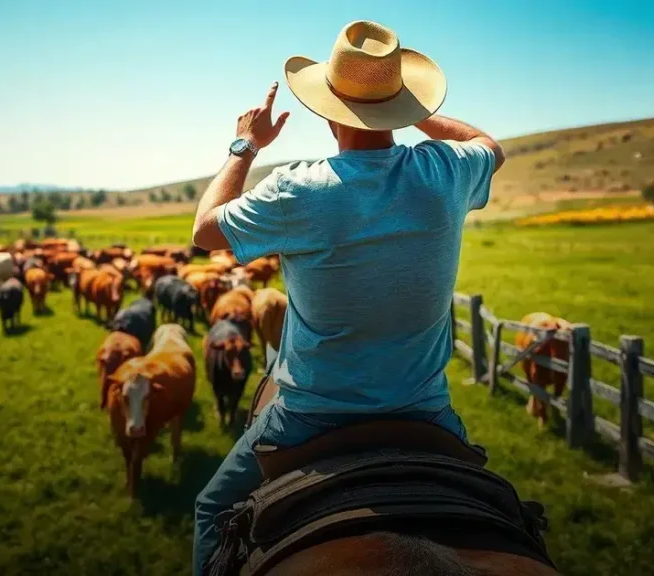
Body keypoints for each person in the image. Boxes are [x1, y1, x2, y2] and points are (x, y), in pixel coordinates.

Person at [189, 20, 505, 575]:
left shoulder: (299, 188)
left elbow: (206, 231)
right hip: (425, 408)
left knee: (212, 507)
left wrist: (246, 145)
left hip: (311, 414)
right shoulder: (444, 171)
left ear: (327, 110)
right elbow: (490, 147)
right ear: (399, 103)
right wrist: (410, 109)